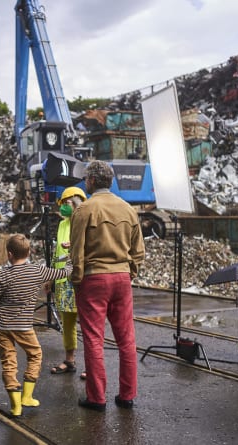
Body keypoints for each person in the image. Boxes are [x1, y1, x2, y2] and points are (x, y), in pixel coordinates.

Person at [69, 160, 145, 411]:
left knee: (93, 339)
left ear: (90, 181)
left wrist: (77, 279)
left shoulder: (85, 209)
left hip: (94, 279)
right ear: (110, 181)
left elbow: (77, 252)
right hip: (122, 278)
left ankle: (97, 398)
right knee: (126, 339)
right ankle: (127, 396)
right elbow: (139, 251)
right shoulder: (127, 209)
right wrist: (129, 272)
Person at [0, 234, 72, 418]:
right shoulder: (38, 271)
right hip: (23, 327)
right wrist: (69, 256)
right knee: (35, 355)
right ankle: (27, 396)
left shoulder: (2, 274)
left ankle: (15, 406)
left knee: (9, 363)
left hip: (2, 326)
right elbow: (65, 272)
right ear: (29, 252)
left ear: (9, 254)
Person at [49, 186, 86, 376]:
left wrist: (75, 245)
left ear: (77, 203)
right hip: (63, 279)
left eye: (67, 203)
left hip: (81, 279)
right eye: (62, 203)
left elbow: (91, 247)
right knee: (68, 323)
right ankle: (69, 360)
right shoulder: (63, 224)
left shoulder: (85, 221)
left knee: (89, 323)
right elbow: (58, 253)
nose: (63, 207)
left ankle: (92, 366)